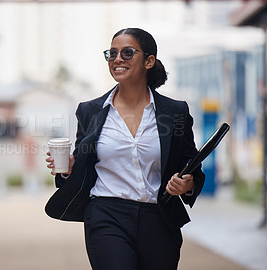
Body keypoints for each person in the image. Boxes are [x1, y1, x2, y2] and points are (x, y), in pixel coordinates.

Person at [45, 28, 205, 270]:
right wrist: (68, 168)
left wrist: (188, 183)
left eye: (128, 53)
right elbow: (81, 163)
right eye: (112, 53)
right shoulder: (90, 111)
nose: (117, 59)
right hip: (106, 214)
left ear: (149, 61)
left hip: (159, 217)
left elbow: (191, 165)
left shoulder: (175, 112)